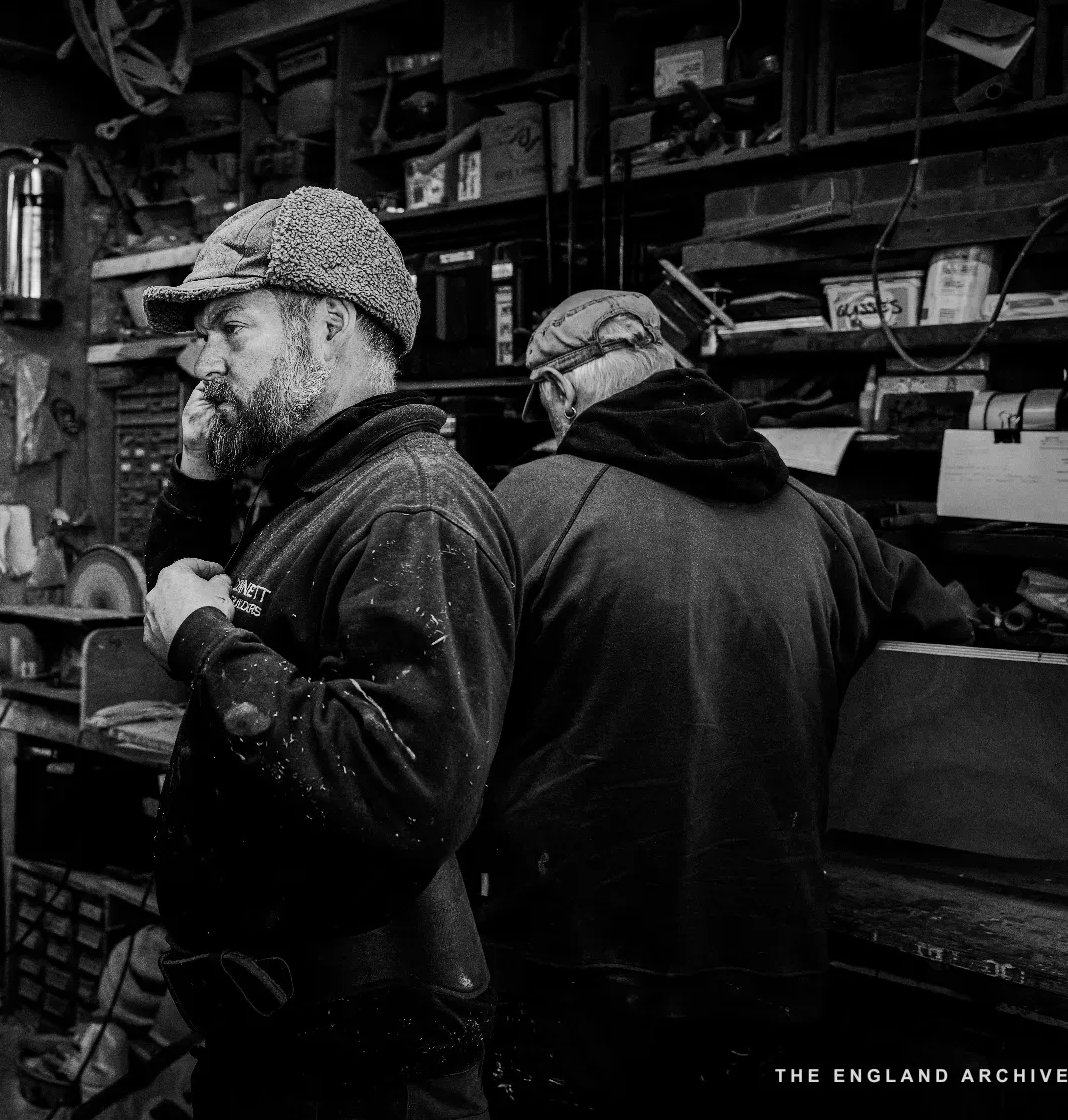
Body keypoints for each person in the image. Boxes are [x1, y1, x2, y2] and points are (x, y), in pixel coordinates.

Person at [475, 290, 973, 1110]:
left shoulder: (532, 503)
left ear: (561, 394)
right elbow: (948, 631)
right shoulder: (822, 518)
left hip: (576, 954)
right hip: (768, 951)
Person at [136, 186, 517, 1119]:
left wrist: (207, 642)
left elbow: (401, 785)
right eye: (203, 337)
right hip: (284, 1028)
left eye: (232, 328)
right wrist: (195, 476)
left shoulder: (411, 507)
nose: (204, 363)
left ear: (330, 326)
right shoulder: (314, 488)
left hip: (366, 1057)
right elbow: (176, 600)